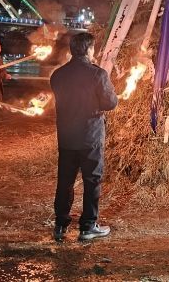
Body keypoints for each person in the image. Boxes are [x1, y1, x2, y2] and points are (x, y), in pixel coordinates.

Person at [50, 32, 118, 241]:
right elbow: (110, 103)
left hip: (67, 136)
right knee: (92, 181)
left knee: (65, 181)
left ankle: (60, 225)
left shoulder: (58, 74)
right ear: (89, 50)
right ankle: (88, 226)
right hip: (90, 136)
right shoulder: (97, 74)